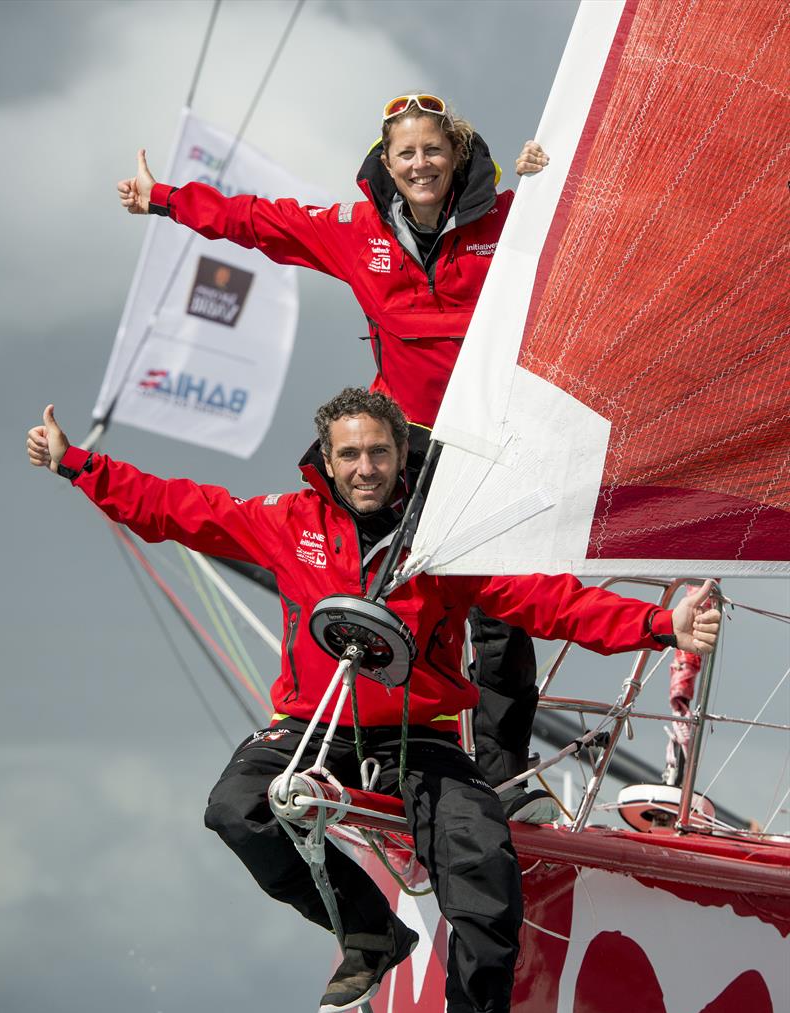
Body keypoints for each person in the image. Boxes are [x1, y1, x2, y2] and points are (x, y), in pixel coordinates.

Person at [26, 389, 721, 1013]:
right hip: (310, 725)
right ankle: (370, 931)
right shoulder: (287, 524)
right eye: (350, 455)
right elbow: (176, 508)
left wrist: (661, 623)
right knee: (235, 808)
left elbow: (543, 600)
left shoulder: (445, 543)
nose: (366, 468)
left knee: (483, 864)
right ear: (326, 461)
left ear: (401, 459)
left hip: (417, 737)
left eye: (379, 454)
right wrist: (77, 465)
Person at [116, 93, 550, 812]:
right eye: (406, 153)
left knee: (502, 615)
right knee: (381, 592)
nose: (421, 164)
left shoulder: (506, 220)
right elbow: (264, 225)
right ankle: (366, 754)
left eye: (433, 151)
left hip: (492, 445)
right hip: (406, 445)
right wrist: (165, 199)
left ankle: (501, 776)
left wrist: (545, 172)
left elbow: (582, 218)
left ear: (457, 156)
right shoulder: (358, 230)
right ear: (387, 163)